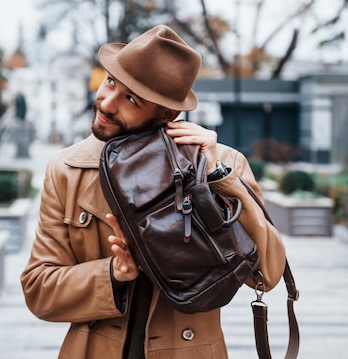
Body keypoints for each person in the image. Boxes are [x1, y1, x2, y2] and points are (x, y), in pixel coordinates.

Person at [21, 25, 286, 359]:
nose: (106, 101)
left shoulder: (224, 163)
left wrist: (216, 178)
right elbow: (38, 288)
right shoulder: (67, 169)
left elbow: (268, 273)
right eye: (111, 81)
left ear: (168, 114)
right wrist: (113, 274)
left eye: (131, 98)